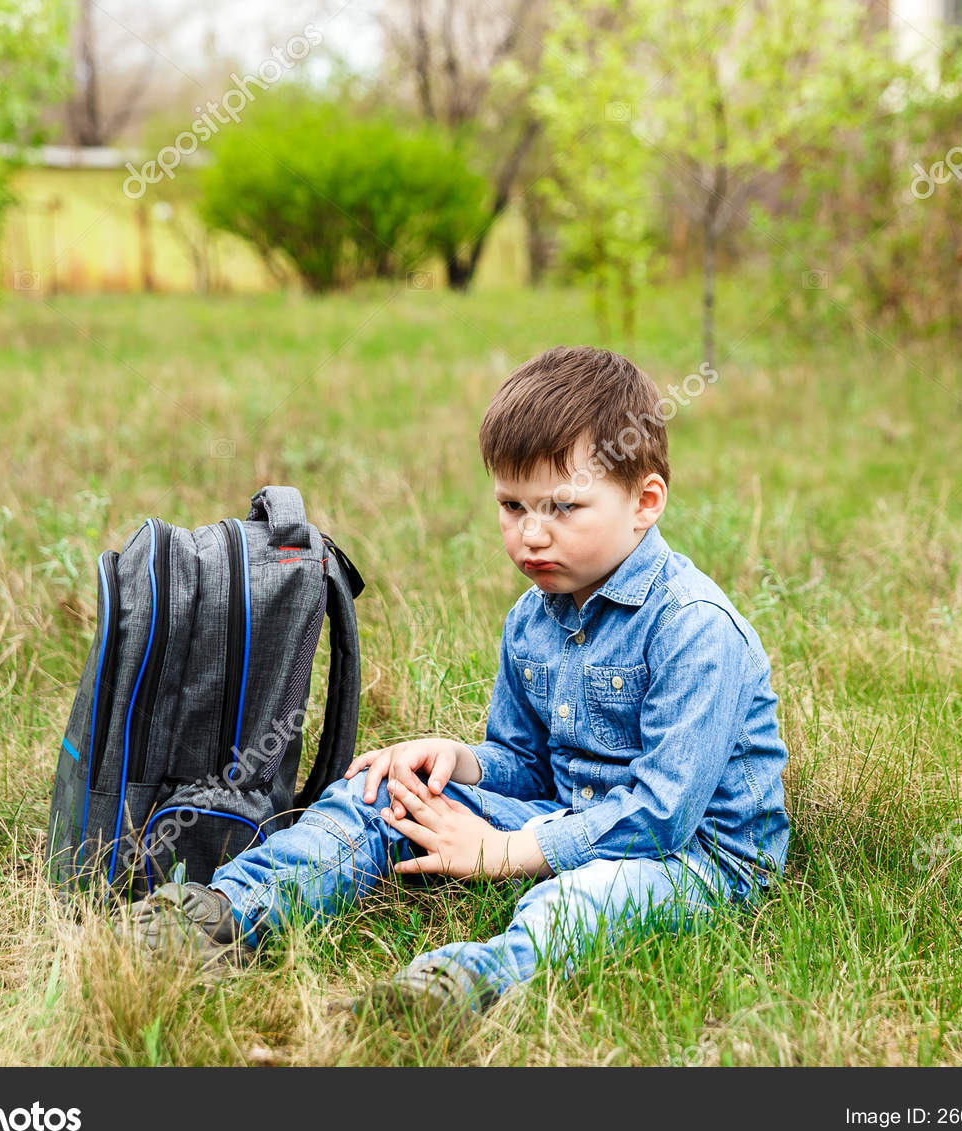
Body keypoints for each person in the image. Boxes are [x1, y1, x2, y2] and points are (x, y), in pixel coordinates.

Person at [127, 344, 790, 1034]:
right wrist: (458, 759)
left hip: (691, 857)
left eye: (564, 507)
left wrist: (506, 851)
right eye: (512, 504)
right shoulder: (534, 616)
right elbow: (528, 762)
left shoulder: (692, 626)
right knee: (385, 794)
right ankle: (227, 914)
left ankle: (471, 981)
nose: (531, 534)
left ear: (645, 501)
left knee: (592, 894)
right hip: (560, 816)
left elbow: (663, 813)